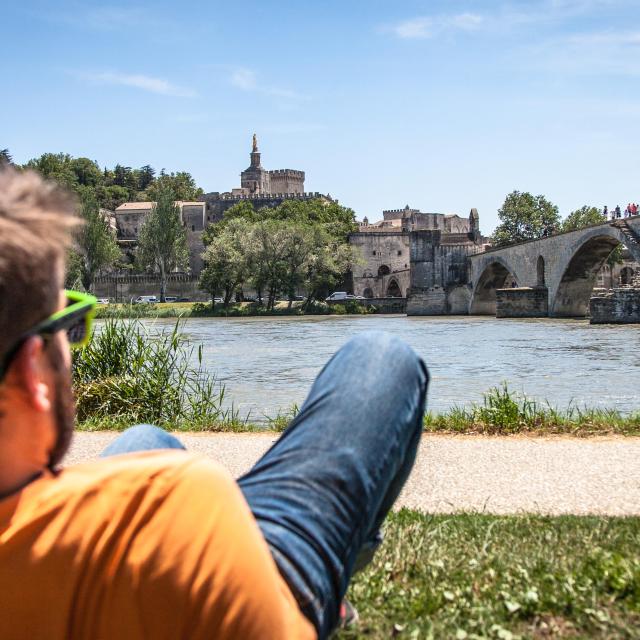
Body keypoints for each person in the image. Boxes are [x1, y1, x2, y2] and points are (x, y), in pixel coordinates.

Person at [0, 168, 429, 640]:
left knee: (145, 439)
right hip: (263, 574)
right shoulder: (177, 493)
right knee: (383, 358)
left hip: (59, 538)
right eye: (72, 323)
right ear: (31, 370)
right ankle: (330, 585)